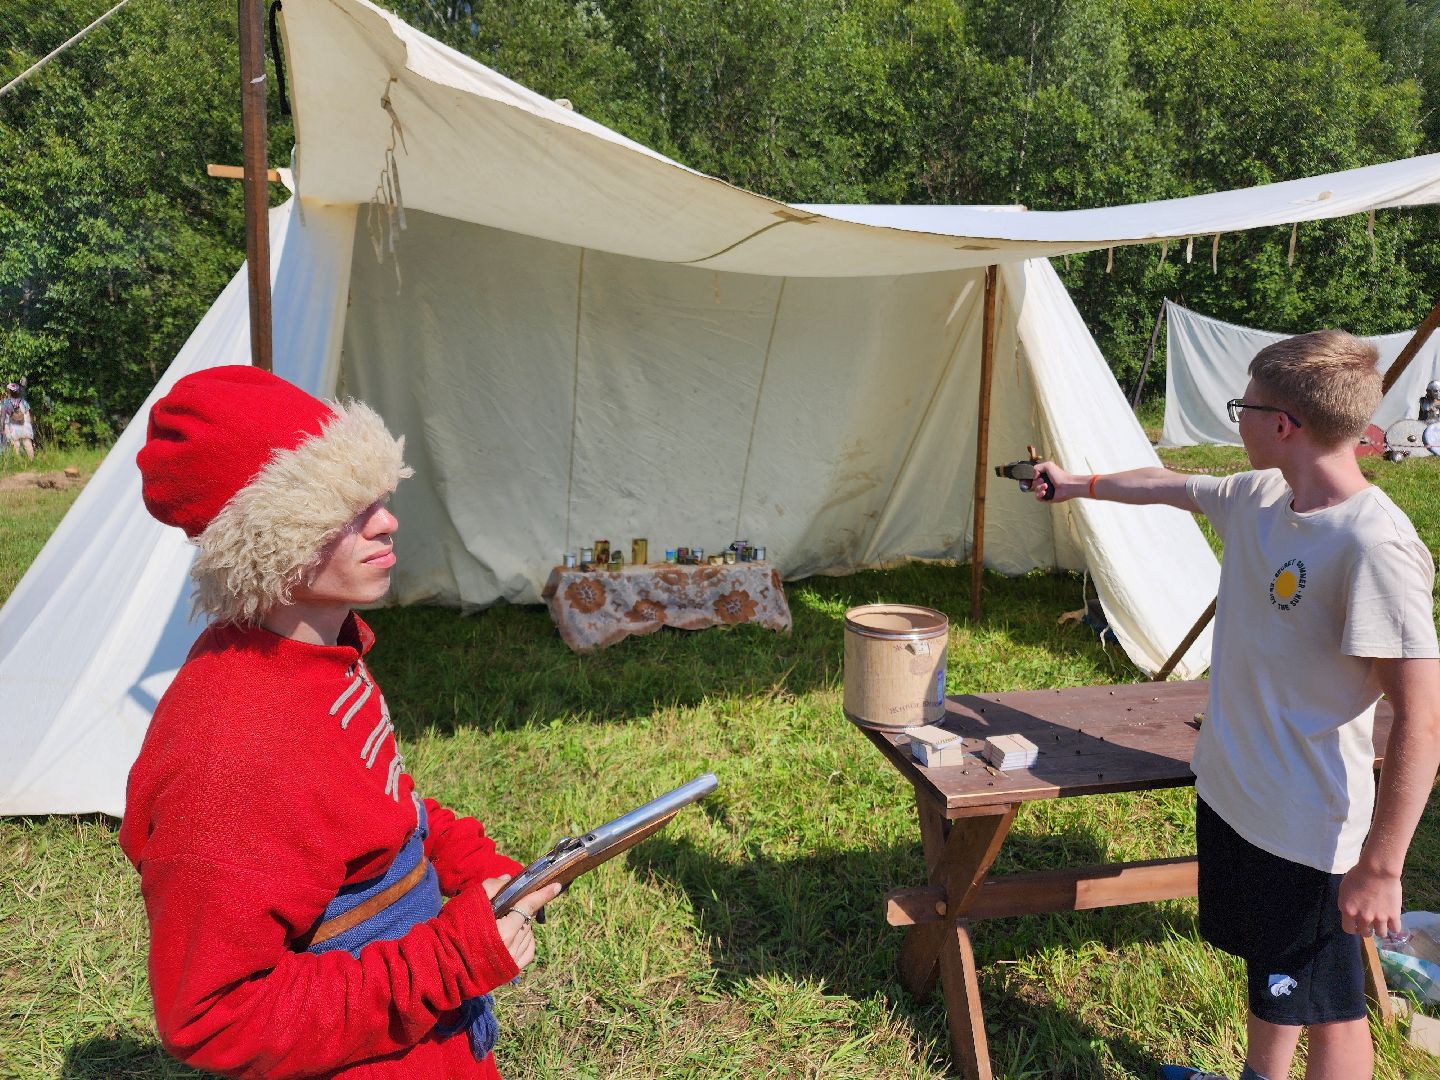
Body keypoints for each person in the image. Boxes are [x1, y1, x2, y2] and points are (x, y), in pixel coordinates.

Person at [120, 365, 559, 1079]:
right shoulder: (227, 749)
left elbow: (377, 806)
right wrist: (450, 959)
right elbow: (211, 1017)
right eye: (343, 510)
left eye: (378, 498)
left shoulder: (323, 653)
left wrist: (473, 863)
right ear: (270, 537)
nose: (386, 521)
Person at [1030, 330, 1440, 1080]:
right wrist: (1077, 484)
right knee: (1275, 980)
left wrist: (1382, 866)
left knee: (1330, 1008)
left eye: (1242, 407)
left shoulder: (1373, 545)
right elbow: (1167, 484)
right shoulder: (1261, 495)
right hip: (1233, 793)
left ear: (1282, 424)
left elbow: (1423, 718)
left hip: (1307, 829)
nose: (1236, 420)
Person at [4, 382, 34, 459]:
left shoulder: (7, 402)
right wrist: (29, 425)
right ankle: (32, 461)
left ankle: (18, 463)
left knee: (15, 445)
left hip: (13, 427)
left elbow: (6, 417)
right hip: (25, 425)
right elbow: (28, 415)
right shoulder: (24, 402)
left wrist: (5, 428)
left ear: (9, 391)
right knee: (27, 443)